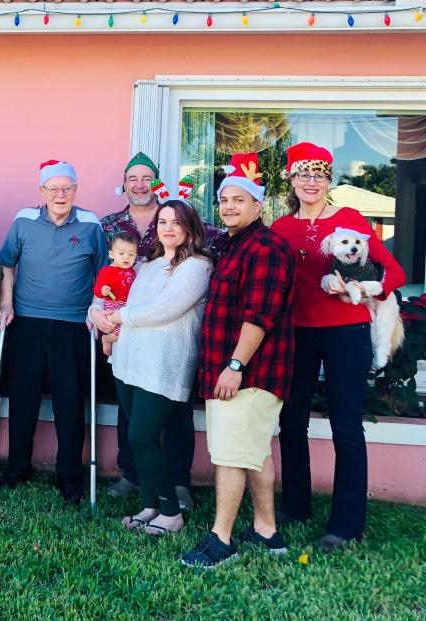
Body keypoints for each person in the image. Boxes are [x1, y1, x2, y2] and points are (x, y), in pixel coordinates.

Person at [271, 142, 406, 552]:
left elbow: (395, 271)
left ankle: (347, 523)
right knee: (291, 422)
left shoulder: (348, 219)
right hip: (296, 332)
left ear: (329, 179)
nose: (310, 182)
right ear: (291, 180)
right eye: (302, 174)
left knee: (346, 426)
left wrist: (369, 287)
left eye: (319, 174)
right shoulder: (280, 228)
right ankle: (295, 504)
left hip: (346, 332)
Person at [180, 153, 296, 568]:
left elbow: (259, 315)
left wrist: (234, 366)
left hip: (250, 374)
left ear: (258, 205)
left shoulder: (265, 247)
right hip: (235, 371)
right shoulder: (232, 244)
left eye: (239, 200)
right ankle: (267, 530)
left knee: (229, 456)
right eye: (224, 199)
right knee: (254, 451)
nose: (228, 206)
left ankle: (221, 539)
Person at [99, 153, 216, 509]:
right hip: (131, 359)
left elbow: (162, 310)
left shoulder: (198, 265)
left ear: (189, 227)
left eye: (175, 223)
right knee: (137, 438)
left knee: (147, 435)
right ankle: (150, 503)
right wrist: (100, 316)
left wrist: (119, 320)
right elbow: (117, 294)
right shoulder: (146, 263)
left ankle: (170, 502)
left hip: (164, 363)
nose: (167, 228)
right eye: (163, 222)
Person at [0, 160, 107, 506]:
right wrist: (6, 305)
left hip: (74, 325)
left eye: (67, 188)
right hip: (26, 320)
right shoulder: (24, 220)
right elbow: (8, 264)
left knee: (70, 402)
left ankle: (69, 475)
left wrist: (96, 308)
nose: (60, 194)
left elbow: (103, 273)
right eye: (53, 188)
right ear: (41, 191)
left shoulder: (90, 225)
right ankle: (17, 467)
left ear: (76, 190)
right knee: (24, 398)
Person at [92, 232, 138, 356]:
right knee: (120, 331)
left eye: (131, 254)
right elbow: (97, 290)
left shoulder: (133, 271)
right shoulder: (107, 271)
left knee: (127, 329)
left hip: (127, 305)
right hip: (113, 303)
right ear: (112, 254)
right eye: (121, 253)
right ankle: (106, 339)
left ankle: (111, 342)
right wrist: (103, 290)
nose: (126, 257)